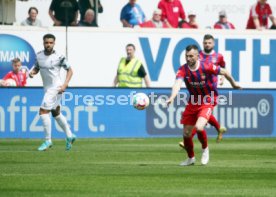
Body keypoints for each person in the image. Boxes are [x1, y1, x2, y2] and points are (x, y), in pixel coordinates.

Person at [167, 44, 241, 166]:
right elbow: (177, 84)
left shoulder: (206, 65)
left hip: (208, 99)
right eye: (187, 56)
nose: (188, 58)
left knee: (200, 127)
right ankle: (191, 159)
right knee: (186, 134)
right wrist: (172, 97)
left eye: (191, 56)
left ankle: (205, 149)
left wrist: (233, 84)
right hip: (193, 101)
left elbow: (224, 71)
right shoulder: (182, 69)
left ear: (197, 56)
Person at [29, 34, 76, 151]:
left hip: (56, 87)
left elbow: (70, 70)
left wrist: (65, 84)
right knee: (55, 112)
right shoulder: (39, 56)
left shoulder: (59, 57)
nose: (48, 44)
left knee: (43, 112)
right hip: (47, 88)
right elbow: (37, 67)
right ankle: (70, 135)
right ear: (43, 43)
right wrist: (32, 73)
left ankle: (48, 140)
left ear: (54, 43)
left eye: (51, 42)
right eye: (46, 42)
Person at [179, 34, 227, 148]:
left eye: (209, 43)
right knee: (202, 116)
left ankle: (188, 139)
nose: (207, 44)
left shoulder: (218, 56)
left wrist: (222, 78)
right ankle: (219, 128)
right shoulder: (197, 54)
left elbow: (223, 68)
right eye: (205, 43)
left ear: (213, 43)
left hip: (210, 89)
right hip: (198, 89)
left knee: (201, 119)